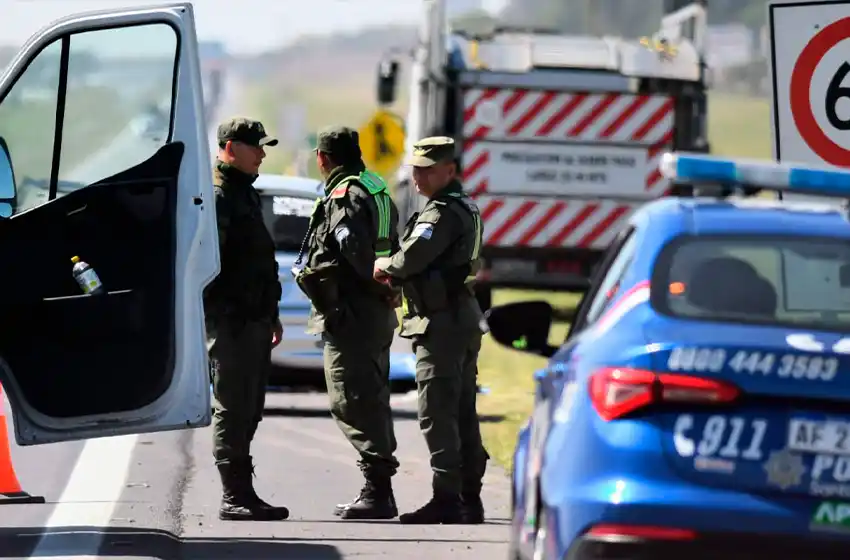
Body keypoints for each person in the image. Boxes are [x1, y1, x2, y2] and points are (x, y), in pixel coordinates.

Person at [373, 136, 489, 525]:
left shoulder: (440, 212)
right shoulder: (464, 205)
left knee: (438, 412)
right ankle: (469, 499)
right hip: (458, 318)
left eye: (427, 169)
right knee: (461, 411)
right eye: (416, 168)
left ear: (449, 171)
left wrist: (385, 266)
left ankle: (447, 498)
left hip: (441, 323)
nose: (418, 176)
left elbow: (413, 258)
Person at [293, 125, 402, 520]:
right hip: (371, 311)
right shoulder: (374, 186)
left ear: (323, 158)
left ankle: (378, 491)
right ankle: (378, 489)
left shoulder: (345, 193)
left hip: (354, 312)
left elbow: (354, 250)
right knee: (368, 395)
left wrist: (369, 286)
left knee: (351, 399)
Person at [205, 117, 288, 521]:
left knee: (250, 407)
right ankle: (233, 495)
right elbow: (209, 264)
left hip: (254, 318)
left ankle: (244, 491)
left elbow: (260, 260)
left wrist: (271, 314)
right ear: (231, 148)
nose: (262, 153)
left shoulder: (244, 193)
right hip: (231, 320)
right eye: (255, 146)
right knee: (233, 406)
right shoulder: (219, 195)